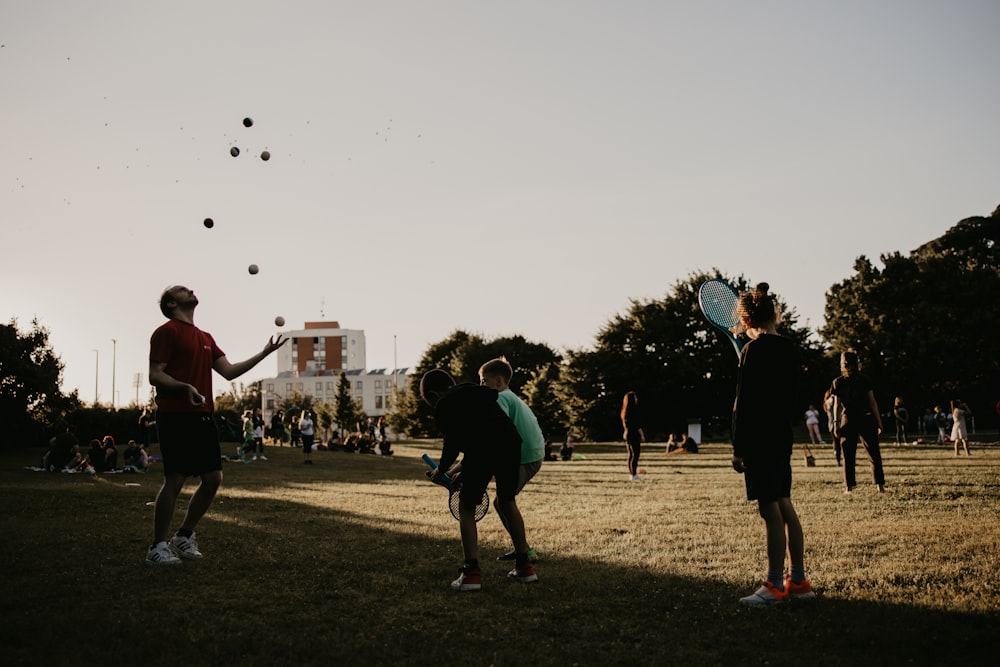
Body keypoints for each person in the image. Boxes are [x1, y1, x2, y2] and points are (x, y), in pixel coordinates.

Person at [145, 285, 286, 566]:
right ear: (172, 303)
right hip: (175, 414)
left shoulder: (205, 337)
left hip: (202, 415)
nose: (191, 290)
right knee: (175, 479)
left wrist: (264, 353)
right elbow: (154, 374)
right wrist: (184, 387)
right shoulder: (166, 331)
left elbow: (229, 371)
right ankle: (157, 547)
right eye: (183, 290)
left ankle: (183, 537)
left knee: (213, 479)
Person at [730, 282, 815, 606]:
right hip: (781, 435)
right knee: (783, 502)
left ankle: (774, 585)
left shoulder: (753, 351)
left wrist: (738, 446)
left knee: (770, 509)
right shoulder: (790, 348)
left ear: (747, 321)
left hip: (759, 438)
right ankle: (799, 581)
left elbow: (745, 403)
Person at [420, 369, 536, 591]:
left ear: (434, 395)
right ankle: (525, 567)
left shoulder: (445, 405)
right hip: (510, 443)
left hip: (485, 448)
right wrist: (466, 470)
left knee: (466, 507)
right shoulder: (476, 394)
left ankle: (471, 573)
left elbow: (453, 443)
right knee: (508, 501)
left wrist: (441, 470)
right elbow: (480, 437)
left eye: (429, 401)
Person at [479, 356, 545, 565]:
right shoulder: (510, 396)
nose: (481, 386)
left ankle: (524, 552)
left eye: (483, 381)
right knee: (502, 502)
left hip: (525, 457)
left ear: (498, 382)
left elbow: (499, 430)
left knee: (505, 501)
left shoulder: (500, 398)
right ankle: (521, 548)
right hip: (530, 454)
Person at [830, 350, 886, 494]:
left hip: (848, 418)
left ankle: (848, 487)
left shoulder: (837, 382)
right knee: (873, 452)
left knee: (848, 454)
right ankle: (879, 485)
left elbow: (837, 405)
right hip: (865, 417)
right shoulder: (864, 379)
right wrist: (879, 422)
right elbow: (872, 402)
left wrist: (835, 423)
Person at [621, 391, 645, 481]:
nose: (636, 399)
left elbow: (626, 425)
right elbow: (637, 425)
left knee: (630, 455)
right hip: (634, 434)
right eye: (635, 397)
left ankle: (632, 474)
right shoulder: (634, 411)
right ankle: (634, 475)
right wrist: (642, 435)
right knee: (636, 455)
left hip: (627, 434)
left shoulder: (624, 412)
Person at [824, 389, 841, 465]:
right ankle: (838, 459)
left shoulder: (826, 403)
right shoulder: (830, 401)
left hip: (831, 425)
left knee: (836, 442)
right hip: (836, 424)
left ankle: (838, 457)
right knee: (838, 443)